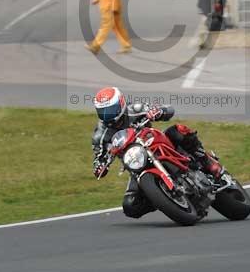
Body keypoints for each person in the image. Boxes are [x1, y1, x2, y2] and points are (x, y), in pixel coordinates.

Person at [92, 86, 223, 219]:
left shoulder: (135, 109)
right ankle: (164, 199)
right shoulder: (100, 135)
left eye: (110, 110)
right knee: (130, 206)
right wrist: (101, 165)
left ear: (121, 104)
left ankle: (207, 161)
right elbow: (98, 160)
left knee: (177, 131)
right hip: (136, 164)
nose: (106, 115)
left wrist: (159, 111)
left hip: (154, 144)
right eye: (102, 112)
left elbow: (169, 109)